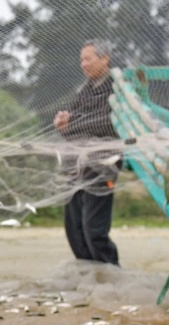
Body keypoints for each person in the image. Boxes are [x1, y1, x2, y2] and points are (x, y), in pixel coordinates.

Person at [54, 39, 121, 266]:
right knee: (74, 228)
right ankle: (89, 273)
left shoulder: (115, 87)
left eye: (88, 59)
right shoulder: (83, 90)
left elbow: (106, 123)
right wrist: (63, 123)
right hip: (76, 165)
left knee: (94, 228)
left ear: (105, 59)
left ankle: (110, 273)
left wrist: (72, 123)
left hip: (101, 165)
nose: (83, 64)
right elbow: (73, 127)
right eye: (81, 60)